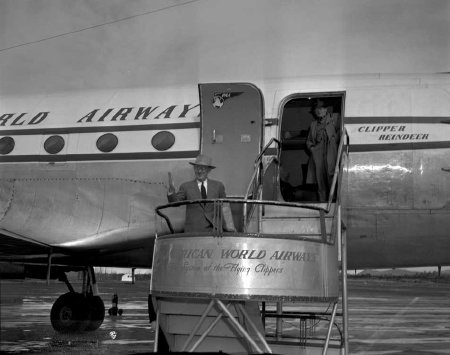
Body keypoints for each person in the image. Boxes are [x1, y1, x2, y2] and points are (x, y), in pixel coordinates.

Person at [167, 154, 235, 232]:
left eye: (202, 168)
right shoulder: (185, 186)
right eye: (197, 168)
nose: (199, 171)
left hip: (215, 232)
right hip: (194, 232)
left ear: (209, 170)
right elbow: (175, 203)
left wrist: (230, 228)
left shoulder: (218, 186)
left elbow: (225, 207)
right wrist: (171, 192)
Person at [306, 99, 340, 202]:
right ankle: (322, 205)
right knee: (320, 181)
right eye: (316, 109)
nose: (319, 111)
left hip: (331, 153)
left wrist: (334, 141)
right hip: (318, 154)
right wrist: (312, 148)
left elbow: (340, 134)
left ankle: (333, 204)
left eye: (321, 108)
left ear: (326, 109)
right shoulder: (313, 124)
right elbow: (309, 141)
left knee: (332, 178)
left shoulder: (335, 118)